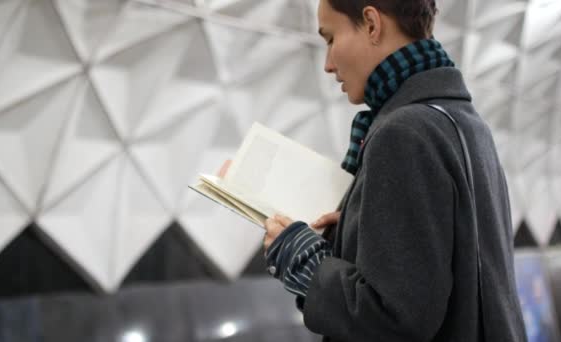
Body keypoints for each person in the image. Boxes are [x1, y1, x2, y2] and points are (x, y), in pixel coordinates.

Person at [222, 0, 527, 341]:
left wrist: (303, 260)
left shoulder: (404, 132)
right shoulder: (462, 122)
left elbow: (396, 319)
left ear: (370, 23)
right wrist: (356, 228)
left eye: (330, 38)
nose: (328, 64)